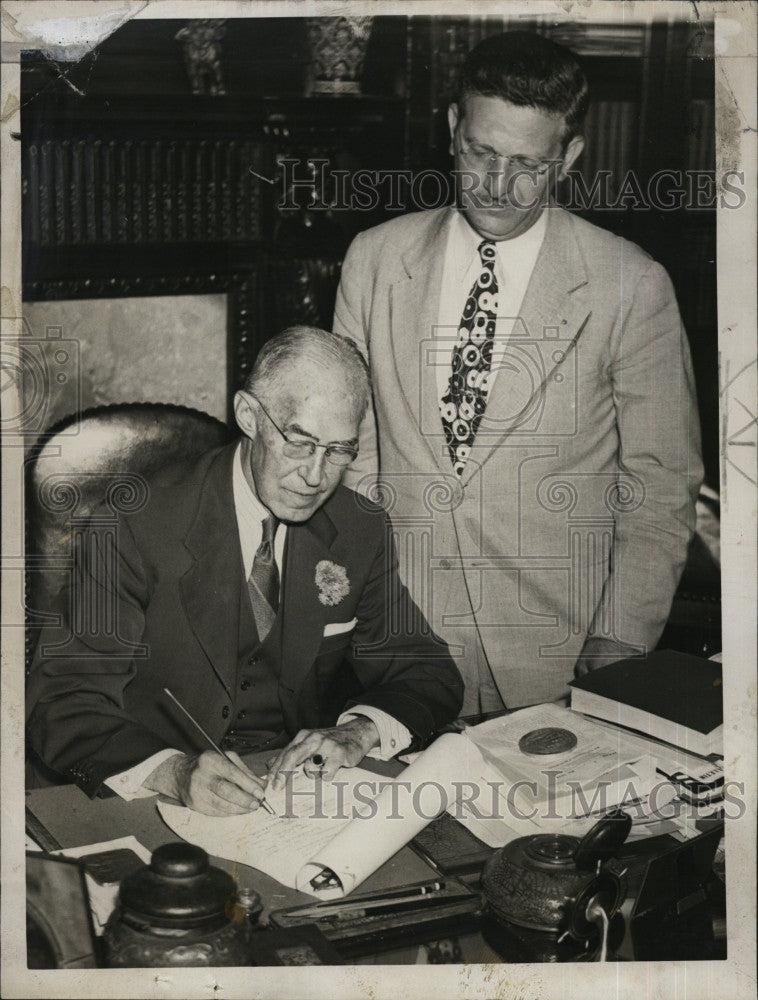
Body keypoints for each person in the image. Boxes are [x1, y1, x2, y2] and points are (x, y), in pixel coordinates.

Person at [333, 31, 703, 715]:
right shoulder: (374, 261)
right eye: (481, 152)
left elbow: (659, 488)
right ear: (452, 128)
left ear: (569, 157)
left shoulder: (631, 284)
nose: (499, 185)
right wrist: (372, 617)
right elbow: (356, 457)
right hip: (402, 650)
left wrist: (618, 642)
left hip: (559, 656)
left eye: (528, 163)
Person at [26, 327, 463, 816]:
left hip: (292, 802)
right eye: (299, 443)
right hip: (149, 792)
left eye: (339, 451)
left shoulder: (358, 528)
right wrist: (173, 772)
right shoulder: (133, 523)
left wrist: (356, 731)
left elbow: (428, 673)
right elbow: (62, 700)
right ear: (249, 416)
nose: (316, 476)